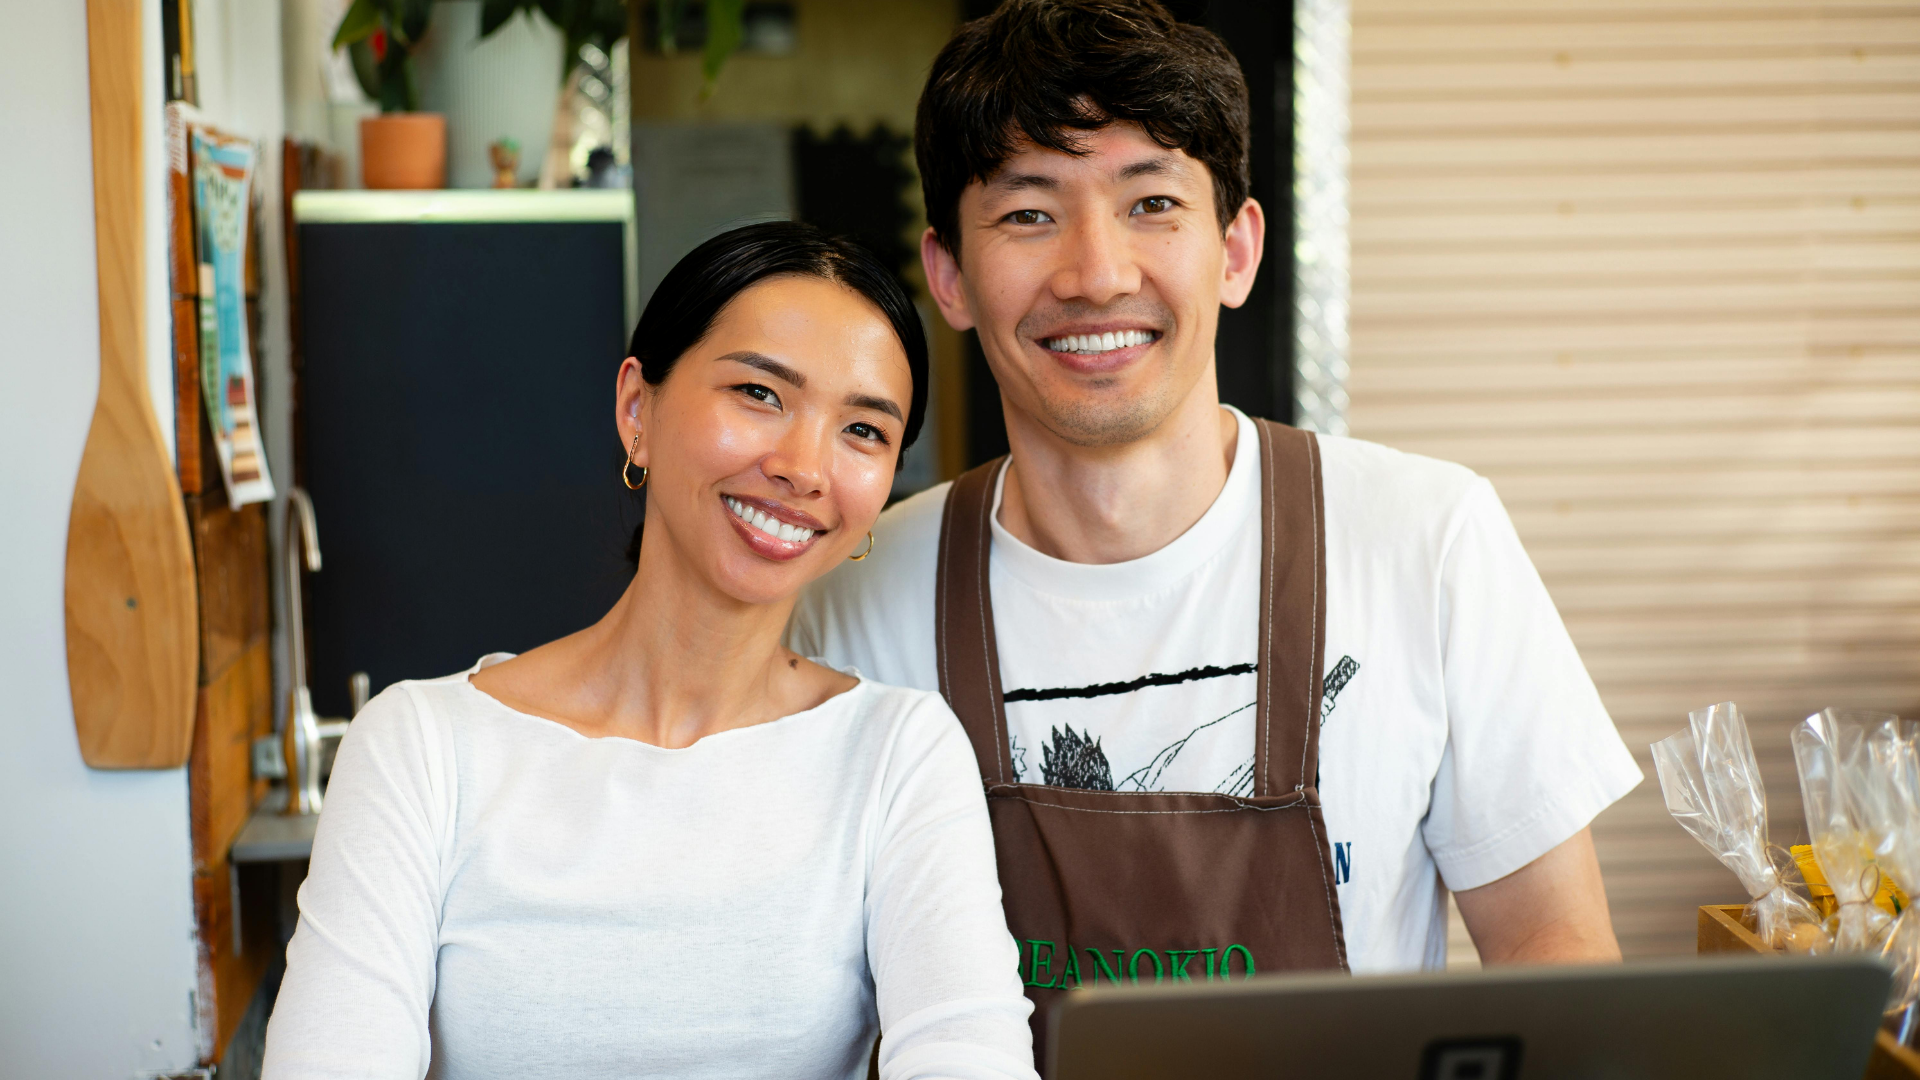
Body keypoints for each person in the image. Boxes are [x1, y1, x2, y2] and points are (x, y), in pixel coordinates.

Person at [789, 0, 1644, 1058]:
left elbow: (1551, 945)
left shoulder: (1429, 539)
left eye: (1152, 202)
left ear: (1236, 251)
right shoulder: (851, 602)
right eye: (1027, 214)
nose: (1096, 272)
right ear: (950, 278)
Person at [263, 222, 1038, 1080]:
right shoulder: (422, 746)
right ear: (639, 408)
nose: (804, 466)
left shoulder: (900, 754)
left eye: (863, 431)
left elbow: (969, 1055)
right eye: (759, 393)